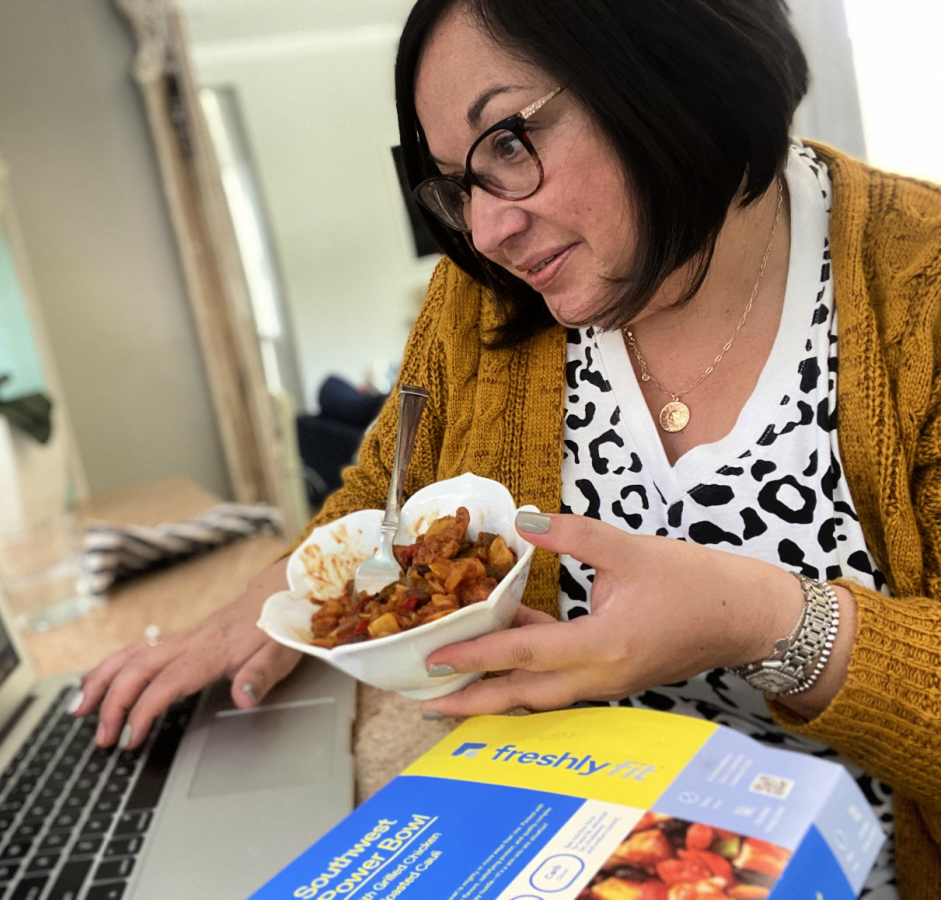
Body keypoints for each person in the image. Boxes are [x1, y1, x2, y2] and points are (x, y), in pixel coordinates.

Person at [72, 0, 941, 894]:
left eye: (510, 144)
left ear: (673, 63)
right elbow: (383, 494)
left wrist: (764, 618)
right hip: (570, 843)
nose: (486, 233)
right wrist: (264, 606)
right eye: (459, 183)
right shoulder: (480, 299)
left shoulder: (921, 287)